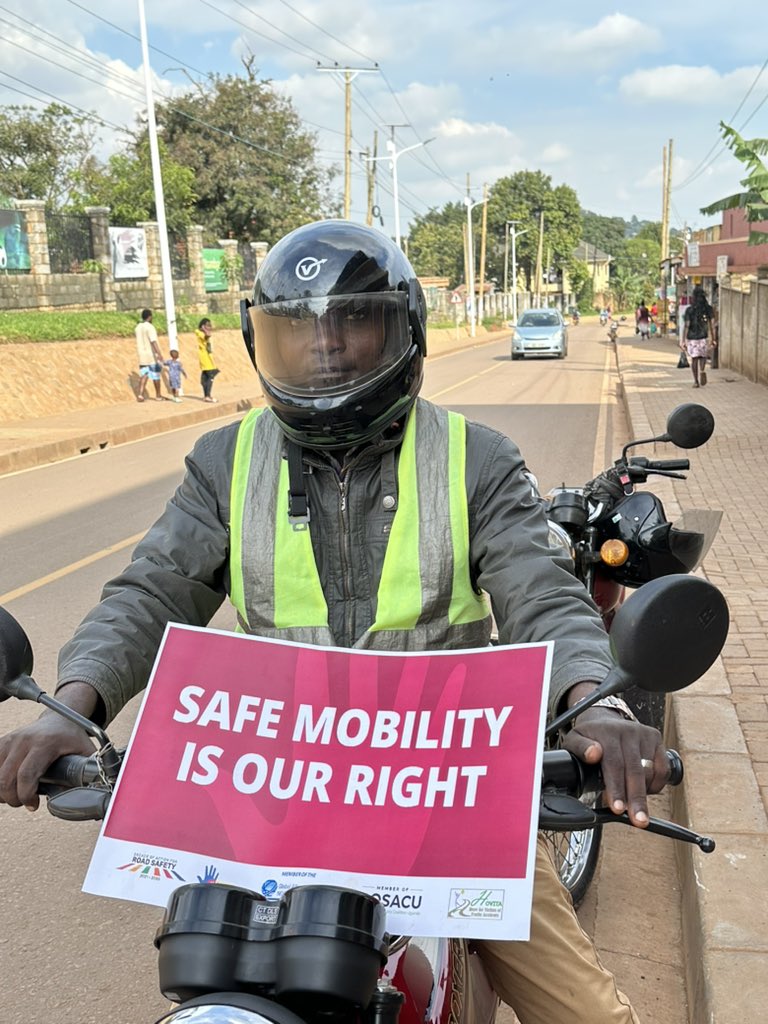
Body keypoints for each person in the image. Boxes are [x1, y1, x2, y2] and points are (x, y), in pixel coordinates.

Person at [0, 221, 670, 1024]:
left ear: (404, 328)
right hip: (275, 796)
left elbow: (544, 594)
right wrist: (71, 703)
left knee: (588, 1015)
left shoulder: (476, 458)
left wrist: (595, 698)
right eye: (296, 332)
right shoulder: (225, 460)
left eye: (352, 320)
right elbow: (151, 591)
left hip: (442, 795)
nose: (324, 348)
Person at [681, 285, 714, 388]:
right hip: (704, 337)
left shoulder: (689, 310)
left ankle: (696, 381)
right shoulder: (708, 309)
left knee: (694, 359)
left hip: (692, 338)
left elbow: (686, 325)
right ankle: (703, 369)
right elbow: (711, 325)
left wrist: (683, 340)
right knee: (703, 356)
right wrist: (713, 338)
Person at [134, 308, 165, 402]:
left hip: (142, 354)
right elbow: (153, 341)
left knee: (144, 374)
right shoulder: (150, 327)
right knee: (155, 375)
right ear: (150, 317)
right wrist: (159, 354)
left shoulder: (137, 327)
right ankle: (158, 395)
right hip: (151, 355)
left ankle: (140, 394)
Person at [196, 317, 219, 402]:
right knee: (210, 377)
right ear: (202, 326)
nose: (209, 327)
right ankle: (207, 396)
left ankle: (206, 395)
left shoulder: (203, 333)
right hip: (205, 358)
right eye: (207, 325)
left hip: (208, 358)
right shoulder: (199, 332)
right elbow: (207, 336)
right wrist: (204, 330)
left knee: (206, 377)